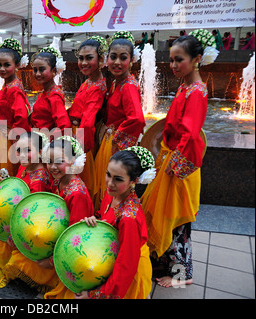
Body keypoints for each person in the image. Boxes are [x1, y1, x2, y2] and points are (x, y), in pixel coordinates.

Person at [140, 29, 219, 288]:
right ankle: (165, 264)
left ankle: (183, 273)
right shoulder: (187, 87)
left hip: (180, 164)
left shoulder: (196, 91)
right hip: (171, 158)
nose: (173, 65)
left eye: (179, 60)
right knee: (166, 216)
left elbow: (190, 132)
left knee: (177, 219)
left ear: (196, 59)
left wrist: (174, 165)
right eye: (171, 60)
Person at [75, 146, 155, 299]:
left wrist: (95, 295)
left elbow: (125, 267)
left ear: (134, 181)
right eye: (108, 175)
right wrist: (95, 220)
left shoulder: (128, 219)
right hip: (113, 259)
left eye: (118, 179)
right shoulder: (113, 193)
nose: (110, 183)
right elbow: (103, 214)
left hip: (127, 274)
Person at [0, 131, 54, 290]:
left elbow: (34, 215)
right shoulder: (24, 169)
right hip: (15, 221)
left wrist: (15, 236)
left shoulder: (39, 180)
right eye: (19, 150)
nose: (22, 154)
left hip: (28, 229)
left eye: (28, 150)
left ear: (40, 152)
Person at [94, 31, 145, 211]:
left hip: (115, 143)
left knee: (115, 185)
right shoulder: (118, 82)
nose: (116, 62)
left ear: (131, 61)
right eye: (113, 57)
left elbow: (137, 119)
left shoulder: (128, 86)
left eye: (123, 58)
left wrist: (117, 142)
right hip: (110, 139)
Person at [42, 136, 95, 299]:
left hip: (73, 252)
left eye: (59, 161)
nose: (52, 167)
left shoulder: (76, 193)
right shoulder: (58, 182)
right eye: (49, 161)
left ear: (73, 160)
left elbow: (74, 236)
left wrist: (51, 261)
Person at [68, 35, 108, 203]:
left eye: (89, 58)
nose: (83, 62)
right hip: (77, 135)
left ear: (100, 60)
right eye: (81, 58)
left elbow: (88, 121)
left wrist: (79, 149)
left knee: (81, 183)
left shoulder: (97, 87)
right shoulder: (89, 82)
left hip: (82, 141)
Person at [0, 37, 31, 181]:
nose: (2, 69)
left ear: (17, 64)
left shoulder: (14, 89)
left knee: (5, 173)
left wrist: (16, 139)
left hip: (8, 139)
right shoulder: (9, 85)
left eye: (7, 65)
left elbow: (22, 116)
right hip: (2, 136)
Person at [29, 38, 71, 137]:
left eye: (42, 69)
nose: (37, 74)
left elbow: (64, 126)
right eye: (35, 70)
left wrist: (48, 139)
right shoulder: (46, 92)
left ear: (54, 70)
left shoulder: (54, 95)